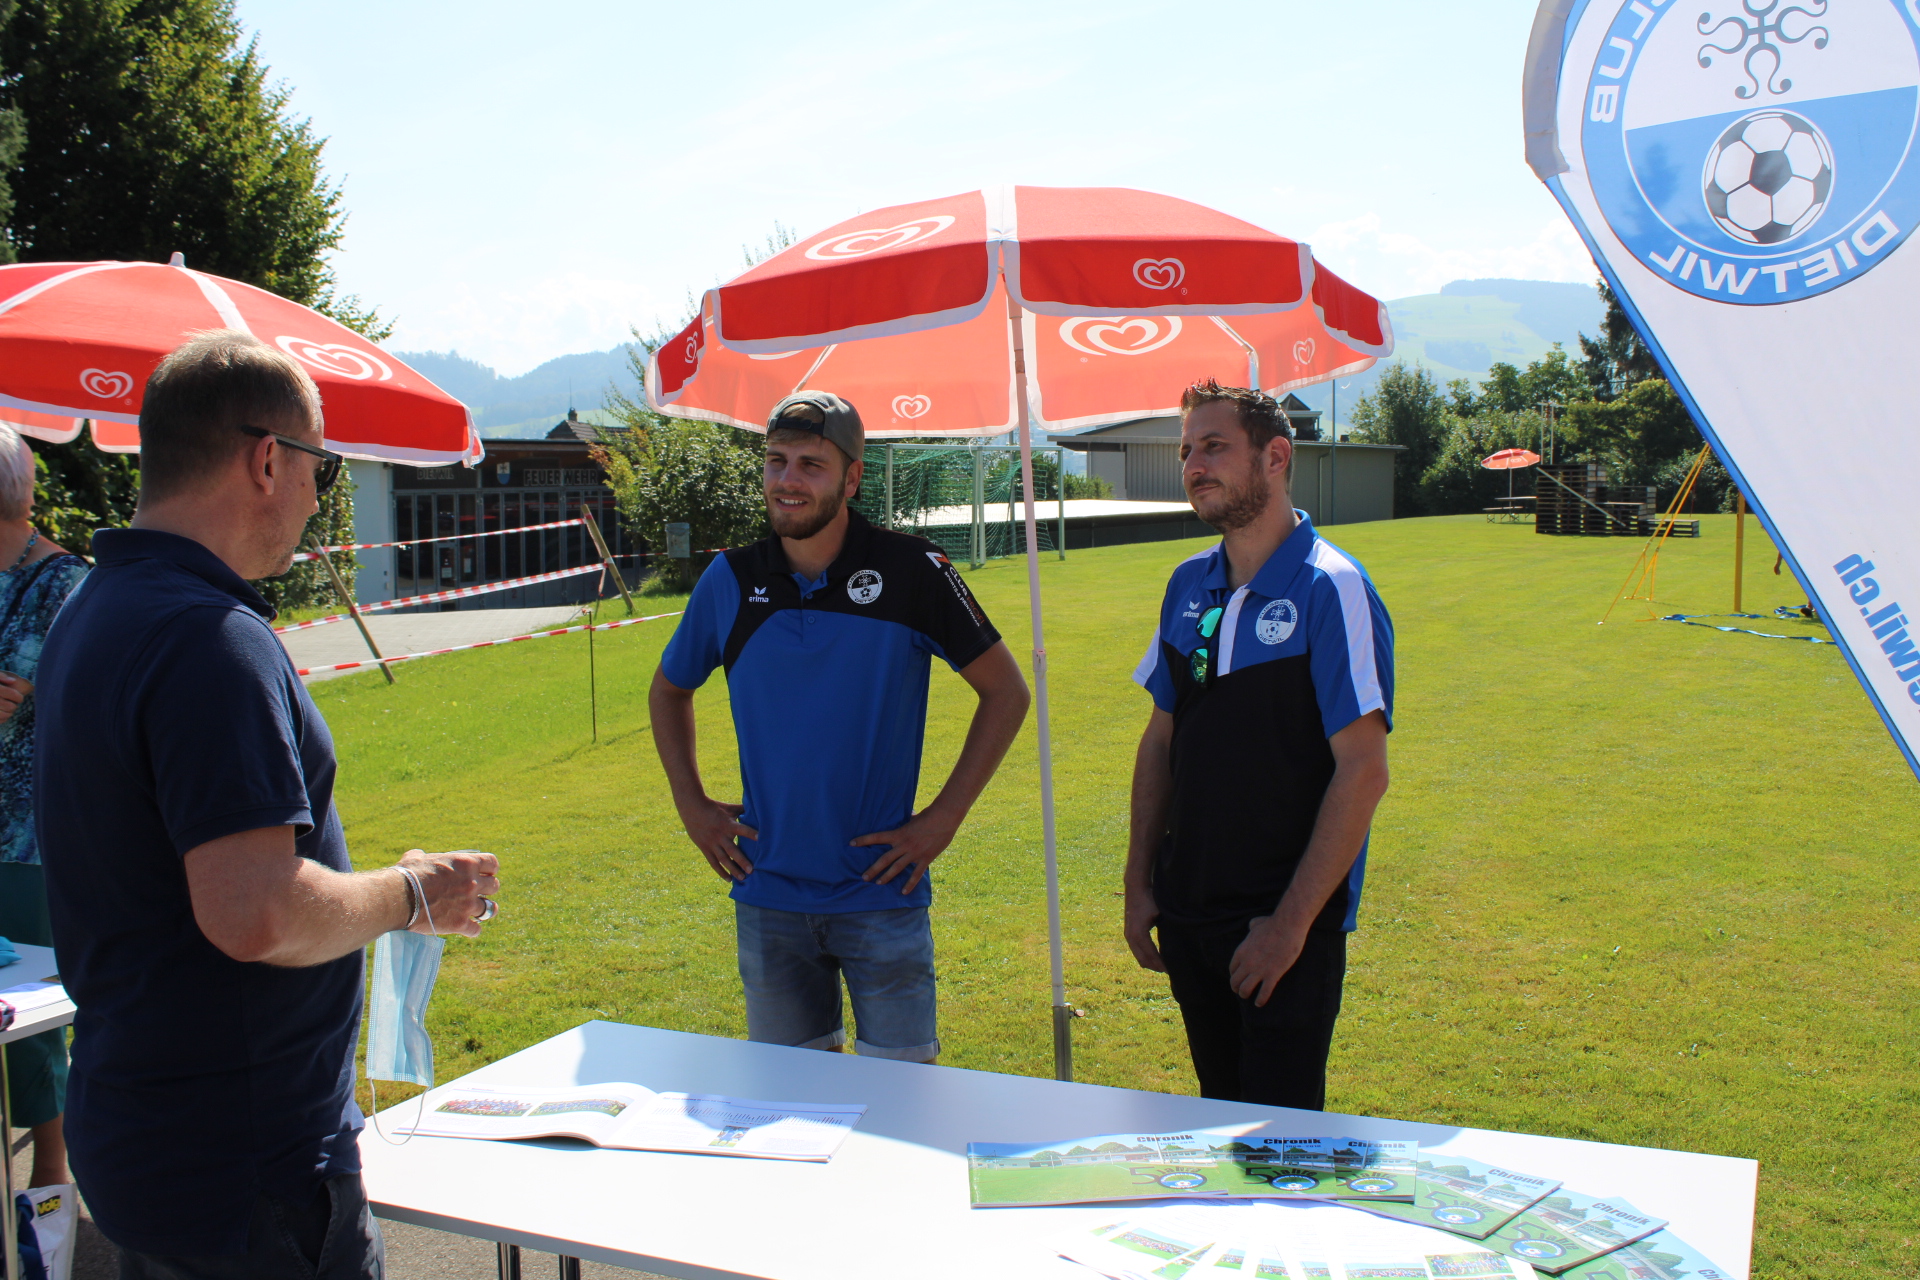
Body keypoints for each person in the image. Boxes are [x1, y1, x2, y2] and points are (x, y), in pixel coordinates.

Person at [34, 331, 500, 1279]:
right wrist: (411, 893)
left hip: (152, 1127)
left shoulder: (94, 606)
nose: (317, 497)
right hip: (247, 1168)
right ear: (265, 460)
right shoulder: (208, 637)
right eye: (320, 469)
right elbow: (258, 912)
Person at [650, 391, 1030, 1064]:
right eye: (775, 462)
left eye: (811, 465)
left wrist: (941, 821)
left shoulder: (915, 570)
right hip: (768, 895)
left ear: (852, 478)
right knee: (787, 1110)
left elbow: (1006, 693)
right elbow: (669, 690)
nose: (788, 480)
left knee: (901, 1106)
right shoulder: (731, 579)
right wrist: (692, 806)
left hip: (881, 894)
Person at [1124, 378, 1393, 1110]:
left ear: (1275, 457)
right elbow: (1161, 740)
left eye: (1214, 446)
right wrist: (1139, 882)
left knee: (1282, 1152)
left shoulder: (1330, 588)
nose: (1193, 466)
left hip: (1281, 931)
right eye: (1185, 450)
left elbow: (1364, 771)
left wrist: (1290, 926)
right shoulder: (1187, 583)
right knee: (1218, 1120)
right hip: (1189, 917)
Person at [0, 423, 89, 1191]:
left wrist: (26, 696)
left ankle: (51, 1180)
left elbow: (75, 696)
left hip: (27, 833)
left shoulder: (66, 583)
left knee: (27, 1016)